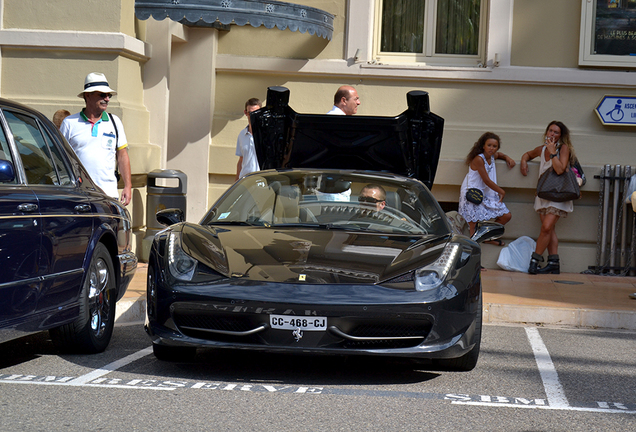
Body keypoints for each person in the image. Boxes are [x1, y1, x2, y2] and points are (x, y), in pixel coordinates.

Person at [60, 72, 132, 205]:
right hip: (79, 195)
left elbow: (122, 156)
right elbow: (60, 158)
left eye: (108, 95)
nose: (107, 99)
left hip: (108, 195)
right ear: (88, 95)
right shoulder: (69, 123)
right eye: (102, 94)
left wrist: (128, 186)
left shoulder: (114, 122)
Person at [520, 121, 576, 274]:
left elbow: (559, 170)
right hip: (544, 193)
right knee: (549, 230)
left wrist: (552, 152)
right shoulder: (541, 149)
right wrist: (524, 161)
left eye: (556, 132)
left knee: (546, 228)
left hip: (558, 194)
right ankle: (554, 262)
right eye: (550, 131)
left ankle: (534, 261)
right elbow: (528, 154)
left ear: (561, 136)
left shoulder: (563, 148)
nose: (552, 134)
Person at [458, 132, 515, 243]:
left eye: (495, 146)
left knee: (506, 216)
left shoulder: (492, 156)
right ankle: (477, 243)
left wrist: (507, 158)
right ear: (483, 146)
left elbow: (500, 155)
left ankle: (486, 236)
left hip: (486, 192)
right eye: (489, 145)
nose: (492, 148)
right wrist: (501, 191)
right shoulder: (479, 159)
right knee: (473, 224)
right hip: (473, 192)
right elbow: (486, 180)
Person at [235, 98, 262, 180]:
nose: (253, 116)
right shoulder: (242, 135)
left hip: (262, 180)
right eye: (250, 113)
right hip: (245, 181)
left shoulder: (266, 134)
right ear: (245, 113)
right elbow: (241, 160)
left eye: (255, 113)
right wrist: (236, 181)